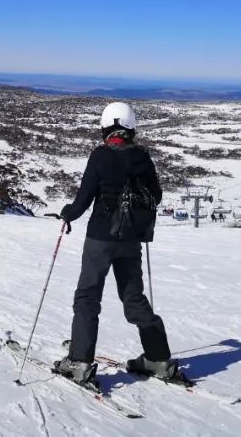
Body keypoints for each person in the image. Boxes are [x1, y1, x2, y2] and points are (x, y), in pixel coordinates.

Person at [55, 102, 180, 387]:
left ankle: (79, 362)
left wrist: (67, 213)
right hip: (131, 240)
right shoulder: (142, 157)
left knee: (88, 297)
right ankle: (158, 359)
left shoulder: (99, 156)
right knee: (133, 297)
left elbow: (84, 199)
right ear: (131, 127)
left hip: (100, 238)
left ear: (106, 127)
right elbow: (156, 197)